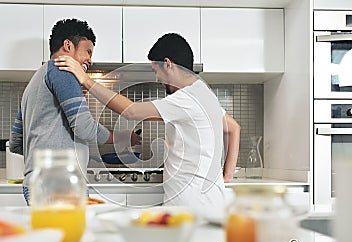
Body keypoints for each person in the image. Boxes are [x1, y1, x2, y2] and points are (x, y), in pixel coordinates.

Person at [54, 33, 240, 215]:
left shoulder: (187, 98)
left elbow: (131, 112)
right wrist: (227, 176)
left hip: (191, 204)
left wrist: (85, 79)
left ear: (168, 64)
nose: (157, 78)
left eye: (155, 71)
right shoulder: (204, 93)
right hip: (211, 200)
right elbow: (234, 128)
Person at [9, 18, 141, 205]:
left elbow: (16, 143)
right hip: (59, 185)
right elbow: (84, 127)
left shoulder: (33, 83)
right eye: (88, 51)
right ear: (68, 45)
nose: (90, 59)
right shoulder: (62, 70)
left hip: (37, 183)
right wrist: (122, 137)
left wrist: (51, 153)